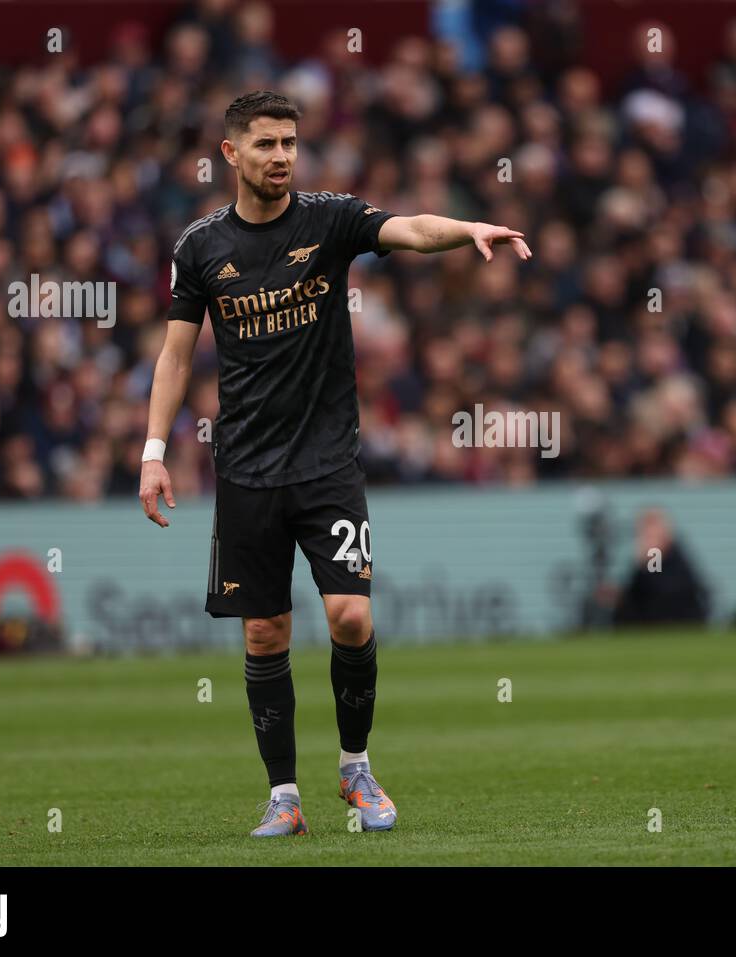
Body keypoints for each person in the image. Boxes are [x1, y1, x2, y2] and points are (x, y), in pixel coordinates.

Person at [138, 91, 531, 837]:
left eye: (289, 142)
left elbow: (407, 227)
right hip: (247, 468)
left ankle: (356, 768)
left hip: (326, 462)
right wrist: (154, 453)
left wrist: (467, 228)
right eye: (265, 144)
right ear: (230, 154)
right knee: (265, 634)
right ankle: (283, 797)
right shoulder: (199, 248)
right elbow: (175, 357)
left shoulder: (328, 219)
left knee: (350, 616)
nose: (281, 155)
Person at [613, 508, 712, 627]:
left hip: (677, 621)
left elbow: (661, 591)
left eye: (651, 535)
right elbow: (637, 593)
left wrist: (649, 559)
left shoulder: (673, 557)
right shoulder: (652, 560)